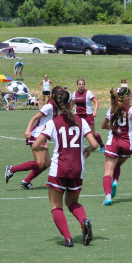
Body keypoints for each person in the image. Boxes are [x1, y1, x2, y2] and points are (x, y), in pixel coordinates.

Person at [31, 89, 99, 247]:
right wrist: (88, 149)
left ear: (55, 104)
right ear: (71, 103)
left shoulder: (52, 123)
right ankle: (84, 220)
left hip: (59, 168)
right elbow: (94, 144)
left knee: (56, 205)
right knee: (72, 202)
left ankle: (68, 238)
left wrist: (42, 149)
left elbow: (35, 144)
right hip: (77, 168)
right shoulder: (81, 121)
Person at [5, 86, 61, 189]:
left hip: (42, 136)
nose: (61, 96)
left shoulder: (57, 107)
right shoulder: (49, 106)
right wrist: (27, 130)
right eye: (59, 94)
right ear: (53, 95)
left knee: (47, 163)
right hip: (36, 135)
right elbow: (34, 117)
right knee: (40, 163)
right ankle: (12, 169)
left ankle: (26, 181)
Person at [72, 78, 105, 152]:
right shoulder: (74, 94)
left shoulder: (88, 93)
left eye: (82, 84)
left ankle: (102, 146)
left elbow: (96, 102)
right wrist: (69, 112)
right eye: (79, 84)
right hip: (78, 116)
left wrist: (95, 111)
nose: (81, 86)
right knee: (77, 131)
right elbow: (71, 104)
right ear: (77, 85)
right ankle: (76, 148)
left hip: (88, 116)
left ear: (84, 85)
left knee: (92, 133)